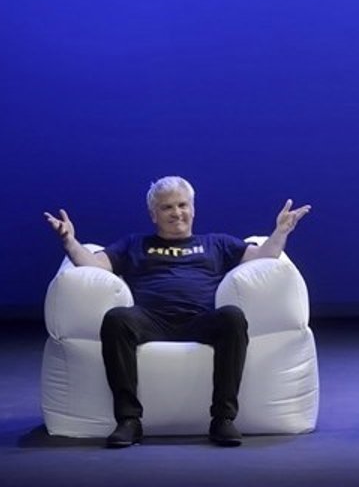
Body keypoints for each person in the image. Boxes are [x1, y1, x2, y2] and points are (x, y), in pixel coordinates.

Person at [44, 176, 311, 448]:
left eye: (182, 205)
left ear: (193, 209)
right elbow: (95, 265)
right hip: (151, 320)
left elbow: (263, 258)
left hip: (200, 319)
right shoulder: (134, 244)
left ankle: (223, 419)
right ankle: (128, 421)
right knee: (116, 319)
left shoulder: (216, 243)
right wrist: (69, 241)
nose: (176, 213)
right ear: (153, 215)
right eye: (167, 207)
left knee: (232, 317)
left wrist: (281, 232)